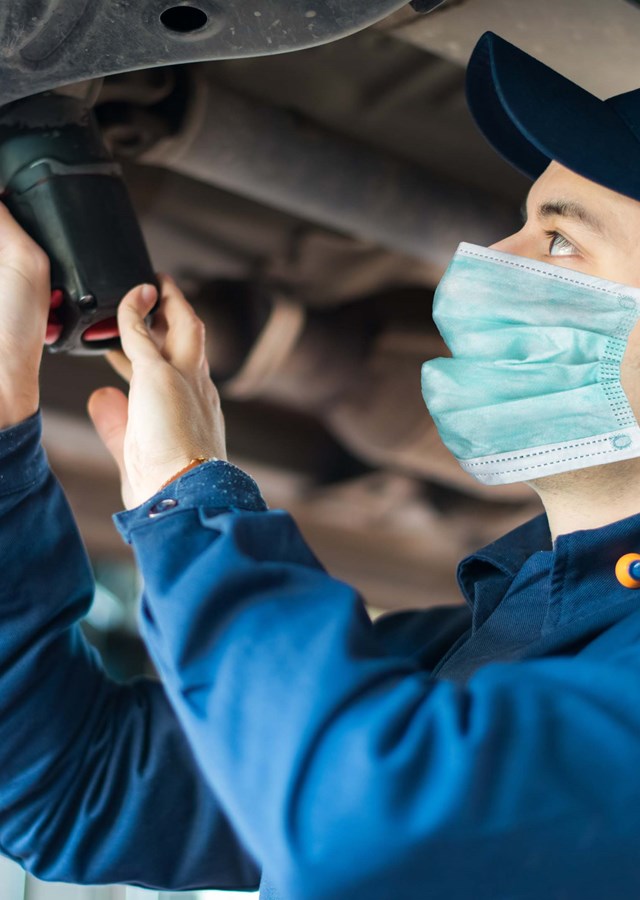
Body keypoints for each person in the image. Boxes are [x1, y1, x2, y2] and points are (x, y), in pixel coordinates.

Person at [1, 29, 640, 900]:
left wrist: (189, 503)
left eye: (562, 243)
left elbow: (374, 826)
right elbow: (80, 788)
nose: (489, 260)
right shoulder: (501, 634)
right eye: (522, 222)